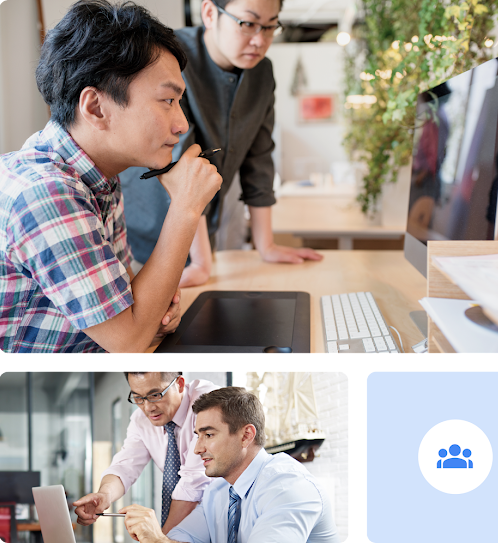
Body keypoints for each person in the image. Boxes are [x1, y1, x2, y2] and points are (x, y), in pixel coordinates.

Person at [0, 0, 222, 353]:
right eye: (167, 101)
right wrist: (185, 206)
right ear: (96, 107)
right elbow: (128, 341)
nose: (181, 125)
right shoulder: (46, 193)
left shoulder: (98, 177)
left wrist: (152, 314)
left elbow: (127, 307)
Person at [121, 0, 323, 288]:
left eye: (269, 27)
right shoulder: (172, 58)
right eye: (247, 23)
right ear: (210, 13)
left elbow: (259, 158)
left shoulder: (262, 73)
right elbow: (181, 162)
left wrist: (266, 245)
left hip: (201, 229)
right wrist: (202, 262)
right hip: (148, 230)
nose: (259, 40)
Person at [120, 387, 340, 543]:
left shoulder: (288, 488)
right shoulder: (218, 491)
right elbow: (180, 538)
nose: (197, 449)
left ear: (246, 436)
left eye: (208, 434)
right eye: (198, 435)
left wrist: (159, 542)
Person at [74, 371, 220, 535]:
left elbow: (193, 484)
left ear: (179, 384)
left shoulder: (207, 404)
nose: (148, 407)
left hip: (221, 517)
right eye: (138, 397)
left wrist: (160, 539)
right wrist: (104, 495)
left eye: (155, 395)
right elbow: (125, 466)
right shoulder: (141, 420)